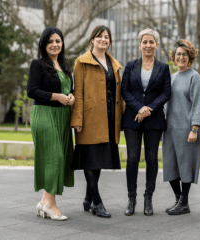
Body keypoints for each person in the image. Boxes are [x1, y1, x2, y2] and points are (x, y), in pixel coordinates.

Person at [71, 25, 123, 218]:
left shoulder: (114, 64)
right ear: (92, 39)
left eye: (106, 37)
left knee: (98, 160)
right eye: (99, 36)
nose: (103, 39)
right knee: (90, 160)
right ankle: (97, 203)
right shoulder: (81, 62)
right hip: (89, 118)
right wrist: (77, 119)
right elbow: (78, 92)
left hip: (109, 119)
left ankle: (87, 198)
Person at [121, 28, 171, 216]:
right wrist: (139, 108)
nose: (148, 45)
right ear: (139, 44)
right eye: (145, 42)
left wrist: (148, 109)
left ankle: (148, 198)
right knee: (132, 158)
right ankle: (131, 199)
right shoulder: (130, 66)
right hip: (132, 119)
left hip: (154, 120)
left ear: (156, 45)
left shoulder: (164, 68)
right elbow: (124, 91)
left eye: (152, 42)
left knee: (151, 159)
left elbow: (166, 93)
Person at [27, 27, 75, 221]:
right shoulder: (37, 64)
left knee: (60, 159)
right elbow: (32, 91)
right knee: (54, 157)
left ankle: (44, 202)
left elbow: (68, 90)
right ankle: (51, 205)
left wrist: (70, 96)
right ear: (44, 45)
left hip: (63, 116)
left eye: (58, 41)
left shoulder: (64, 66)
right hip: (45, 115)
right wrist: (58, 97)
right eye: (50, 42)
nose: (55, 44)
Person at [162, 39, 200, 215]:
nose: (180, 57)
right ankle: (179, 200)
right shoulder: (170, 79)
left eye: (184, 54)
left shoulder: (195, 77)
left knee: (185, 166)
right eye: (178, 54)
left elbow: (198, 104)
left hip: (187, 130)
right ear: (173, 57)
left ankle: (184, 202)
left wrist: (194, 128)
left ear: (190, 57)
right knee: (170, 166)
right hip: (169, 130)